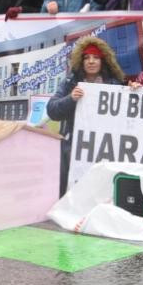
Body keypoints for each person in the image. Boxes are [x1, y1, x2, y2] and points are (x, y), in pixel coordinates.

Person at [45, 36, 128, 193]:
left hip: (105, 148)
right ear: (80, 61)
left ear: (103, 61)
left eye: (96, 57)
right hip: (74, 149)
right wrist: (71, 99)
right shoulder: (70, 83)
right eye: (87, 58)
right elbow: (52, 110)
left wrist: (134, 91)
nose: (91, 61)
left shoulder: (115, 84)